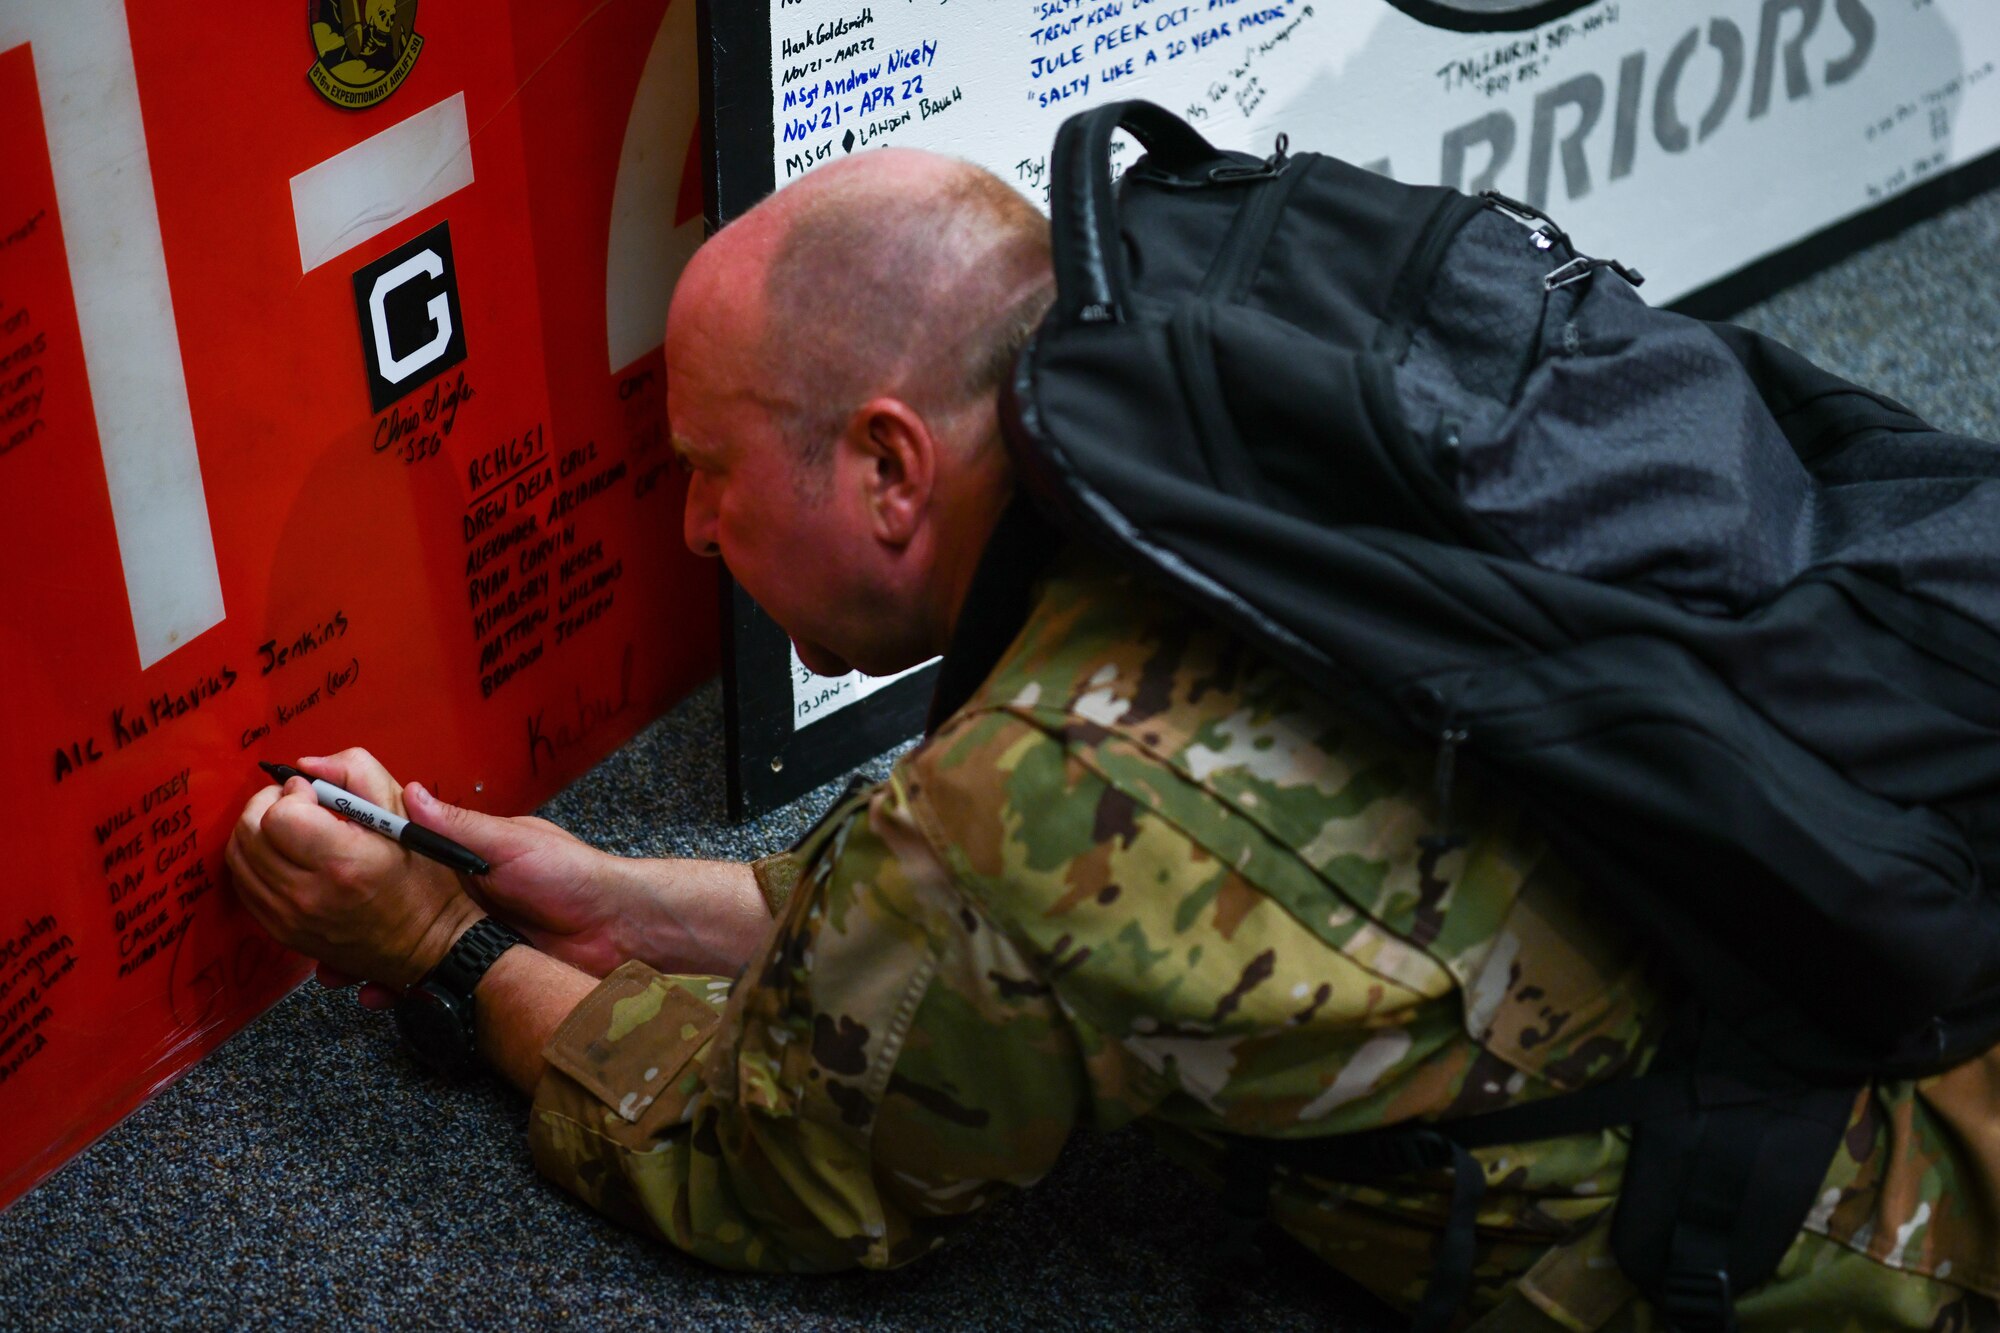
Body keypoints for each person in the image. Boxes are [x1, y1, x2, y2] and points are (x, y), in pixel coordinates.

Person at [227, 149, 1999, 1330]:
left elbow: (761, 1162)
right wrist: (603, 891)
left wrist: (438, 952)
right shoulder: (1173, 436)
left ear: (890, 466)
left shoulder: (1037, 787)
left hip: (1899, 1214)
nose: (692, 532)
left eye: (711, 468)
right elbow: (955, 902)